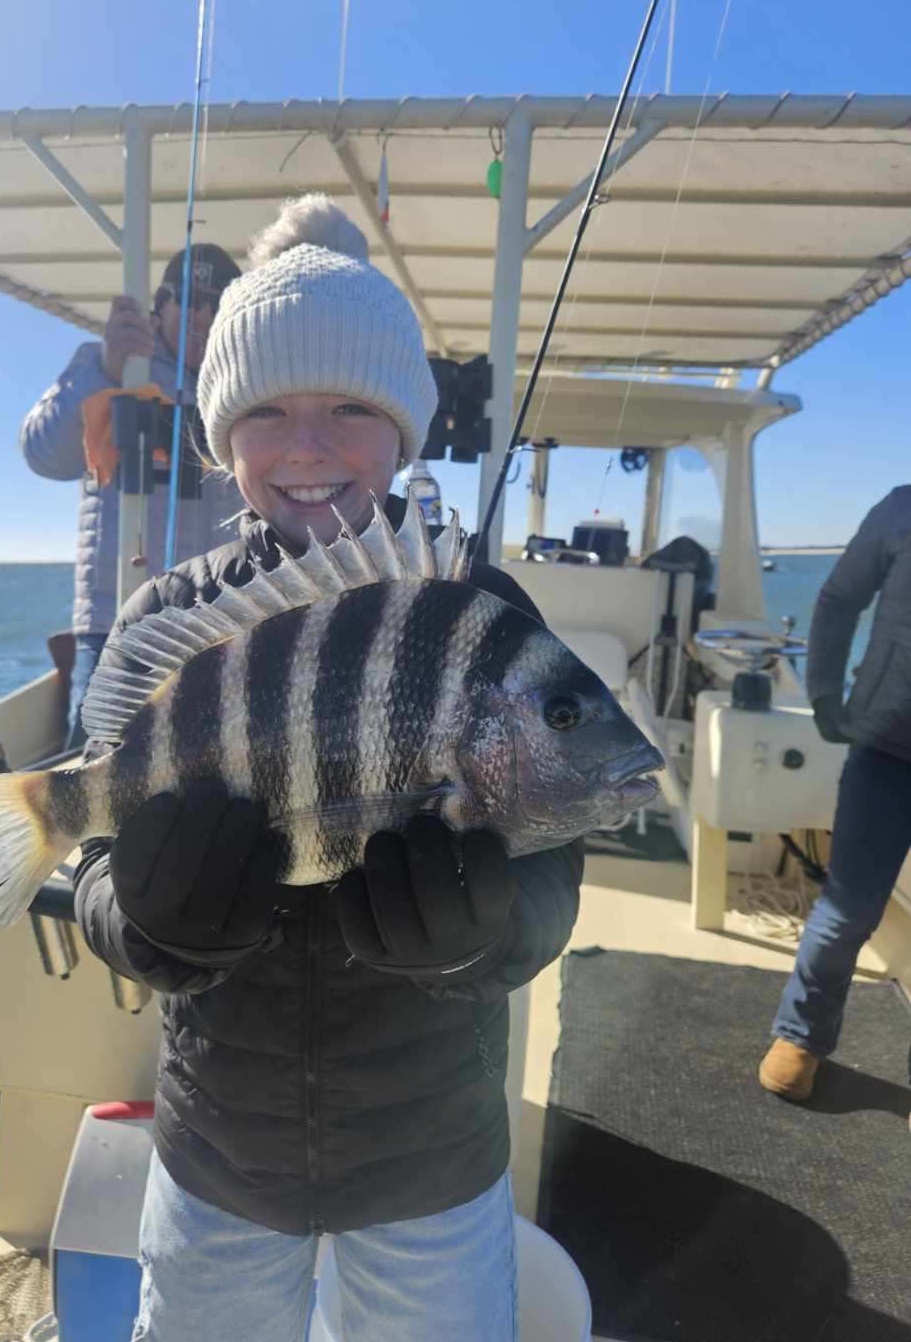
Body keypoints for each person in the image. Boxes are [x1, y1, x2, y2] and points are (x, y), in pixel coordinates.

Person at [73, 196, 584, 1342]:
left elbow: (556, 872)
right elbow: (99, 868)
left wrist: (482, 929)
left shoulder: (476, 609)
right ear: (224, 437)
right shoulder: (171, 619)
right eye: (268, 411)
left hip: (430, 1154)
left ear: (403, 432)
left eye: (351, 406)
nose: (308, 445)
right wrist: (149, 923)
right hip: (218, 1149)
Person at [20, 245, 246, 748]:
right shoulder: (112, 369)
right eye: (191, 300)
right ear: (160, 305)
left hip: (218, 627)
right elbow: (44, 455)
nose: (204, 316)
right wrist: (105, 369)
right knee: (93, 771)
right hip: (115, 627)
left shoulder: (242, 388)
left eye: (219, 303)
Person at [759, 484, 911, 1103]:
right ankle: (799, 1038)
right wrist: (823, 691)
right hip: (884, 749)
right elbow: (840, 597)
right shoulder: (901, 507)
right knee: (846, 913)